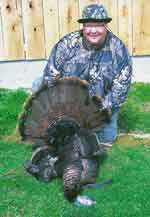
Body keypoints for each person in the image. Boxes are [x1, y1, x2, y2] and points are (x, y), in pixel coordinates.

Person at [33, 3, 132, 145]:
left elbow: (118, 93)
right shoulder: (67, 44)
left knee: (106, 140)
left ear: (106, 26)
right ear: (83, 27)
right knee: (38, 84)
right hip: (68, 105)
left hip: (100, 108)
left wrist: (93, 116)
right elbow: (50, 77)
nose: (93, 30)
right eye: (88, 25)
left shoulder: (119, 50)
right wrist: (61, 113)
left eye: (98, 25)